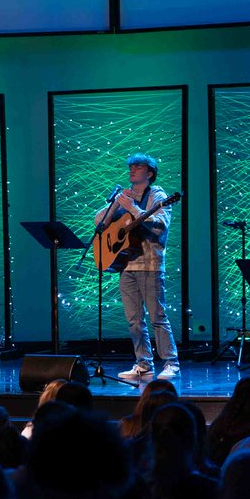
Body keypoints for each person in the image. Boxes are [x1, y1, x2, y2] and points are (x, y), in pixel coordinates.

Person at [96, 153, 180, 382]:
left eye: (138, 166)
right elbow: (99, 223)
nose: (132, 169)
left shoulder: (158, 195)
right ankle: (143, 364)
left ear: (150, 173)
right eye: (130, 166)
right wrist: (116, 205)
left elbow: (160, 226)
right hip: (126, 265)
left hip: (150, 265)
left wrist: (133, 207)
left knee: (157, 317)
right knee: (134, 319)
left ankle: (171, 363)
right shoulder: (125, 196)